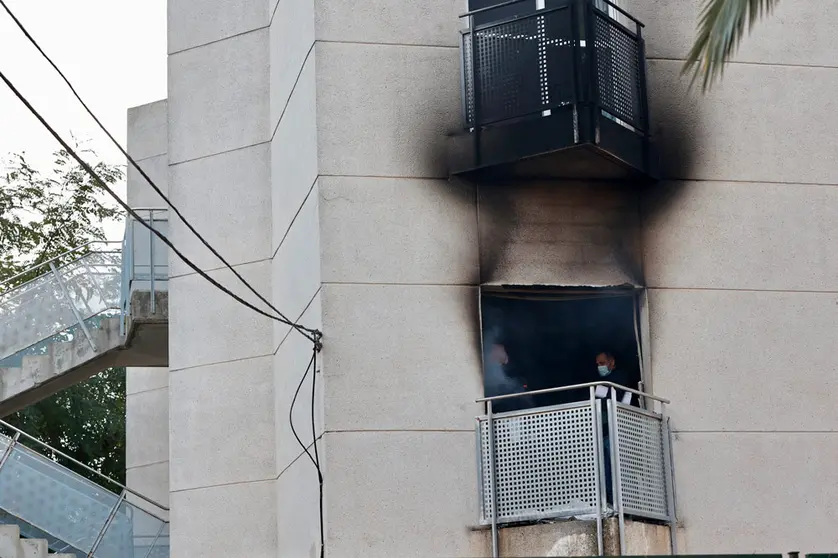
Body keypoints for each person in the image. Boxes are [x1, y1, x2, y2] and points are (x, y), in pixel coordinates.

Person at [593, 351, 633, 507]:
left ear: (611, 362)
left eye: (601, 363)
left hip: (617, 430)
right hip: (604, 432)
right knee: (605, 468)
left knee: (616, 467)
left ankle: (619, 501)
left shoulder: (619, 378)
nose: (599, 367)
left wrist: (600, 393)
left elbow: (614, 397)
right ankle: (609, 500)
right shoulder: (603, 380)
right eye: (597, 364)